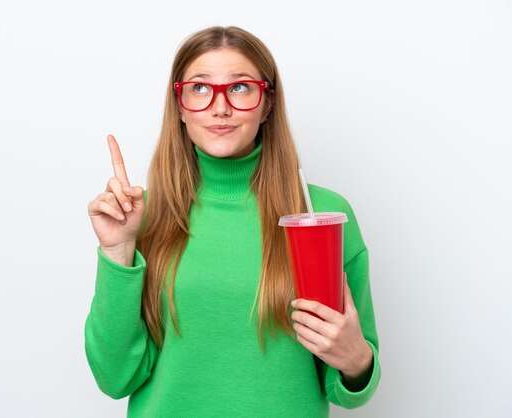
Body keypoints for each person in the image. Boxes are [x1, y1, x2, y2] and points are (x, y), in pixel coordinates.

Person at [85, 26, 381, 417]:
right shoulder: (140, 216)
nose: (220, 107)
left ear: (267, 103)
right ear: (179, 106)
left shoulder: (321, 216)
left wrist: (358, 360)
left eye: (240, 88)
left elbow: (347, 382)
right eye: (200, 88)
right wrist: (118, 250)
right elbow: (115, 377)